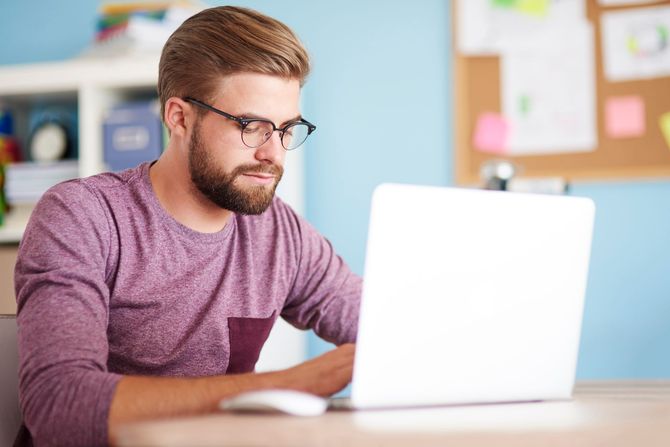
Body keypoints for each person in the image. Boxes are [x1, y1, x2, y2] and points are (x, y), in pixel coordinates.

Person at [14, 6, 361, 447]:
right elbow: (61, 407)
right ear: (179, 117)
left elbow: (387, 328)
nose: (273, 154)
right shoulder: (83, 216)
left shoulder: (280, 235)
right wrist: (292, 385)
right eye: (252, 126)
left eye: (286, 129)